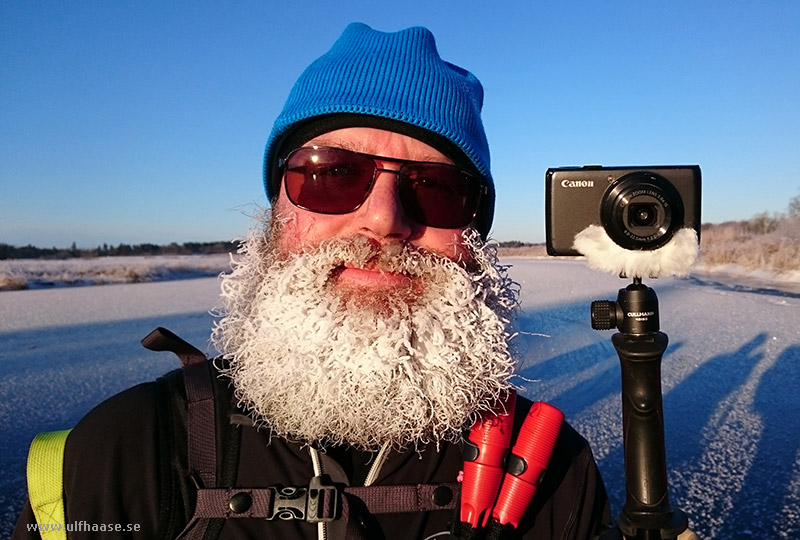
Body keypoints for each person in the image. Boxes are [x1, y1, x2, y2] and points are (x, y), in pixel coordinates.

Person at [14, 22, 610, 539]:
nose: (384, 219)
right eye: (333, 176)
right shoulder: (122, 453)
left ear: (474, 234)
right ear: (276, 212)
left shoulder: (549, 470)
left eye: (437, 187)